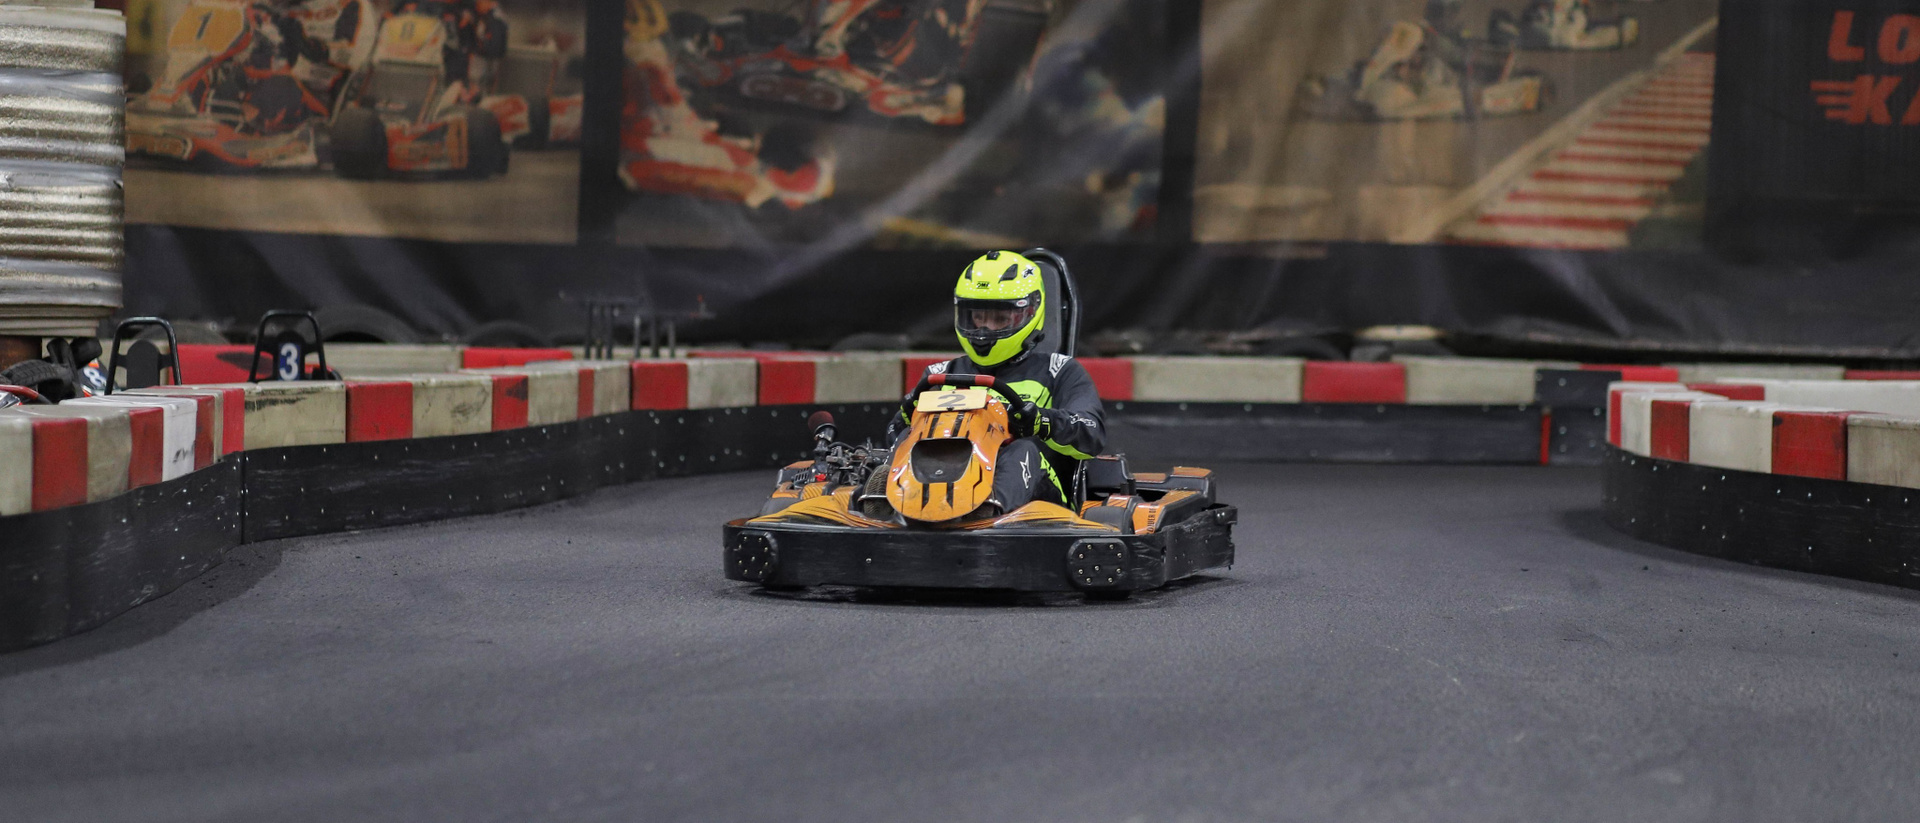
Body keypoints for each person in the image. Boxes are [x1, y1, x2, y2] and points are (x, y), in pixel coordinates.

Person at [893, 250, 1107, 512]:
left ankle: (989, 510)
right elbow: (894, 434)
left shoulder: (1060, 371)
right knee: (906, 440)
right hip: (947, 487)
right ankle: (880, 505)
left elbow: (1091, 433)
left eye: (1000, 318)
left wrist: (1041, 421)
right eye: (978, 317)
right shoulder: (941, 374)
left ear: (1029, 313)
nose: (986, 329)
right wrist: (905, 420)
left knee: (1023, 449)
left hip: (1039, 505)